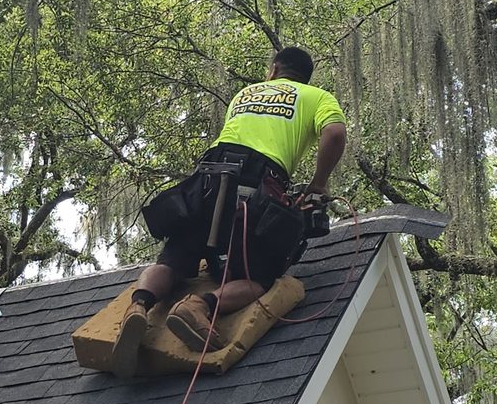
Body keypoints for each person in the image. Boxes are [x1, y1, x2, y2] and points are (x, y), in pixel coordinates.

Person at [113, 45, 347, 378]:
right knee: (260, 276)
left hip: (206, 180)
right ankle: (199, 307)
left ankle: (138, 306)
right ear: (305, 77)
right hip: (255, 187)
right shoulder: (317, 97)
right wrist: (319, 184)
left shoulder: (245, 94)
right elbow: (335, 135)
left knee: (174, 258)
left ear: (273, 70)